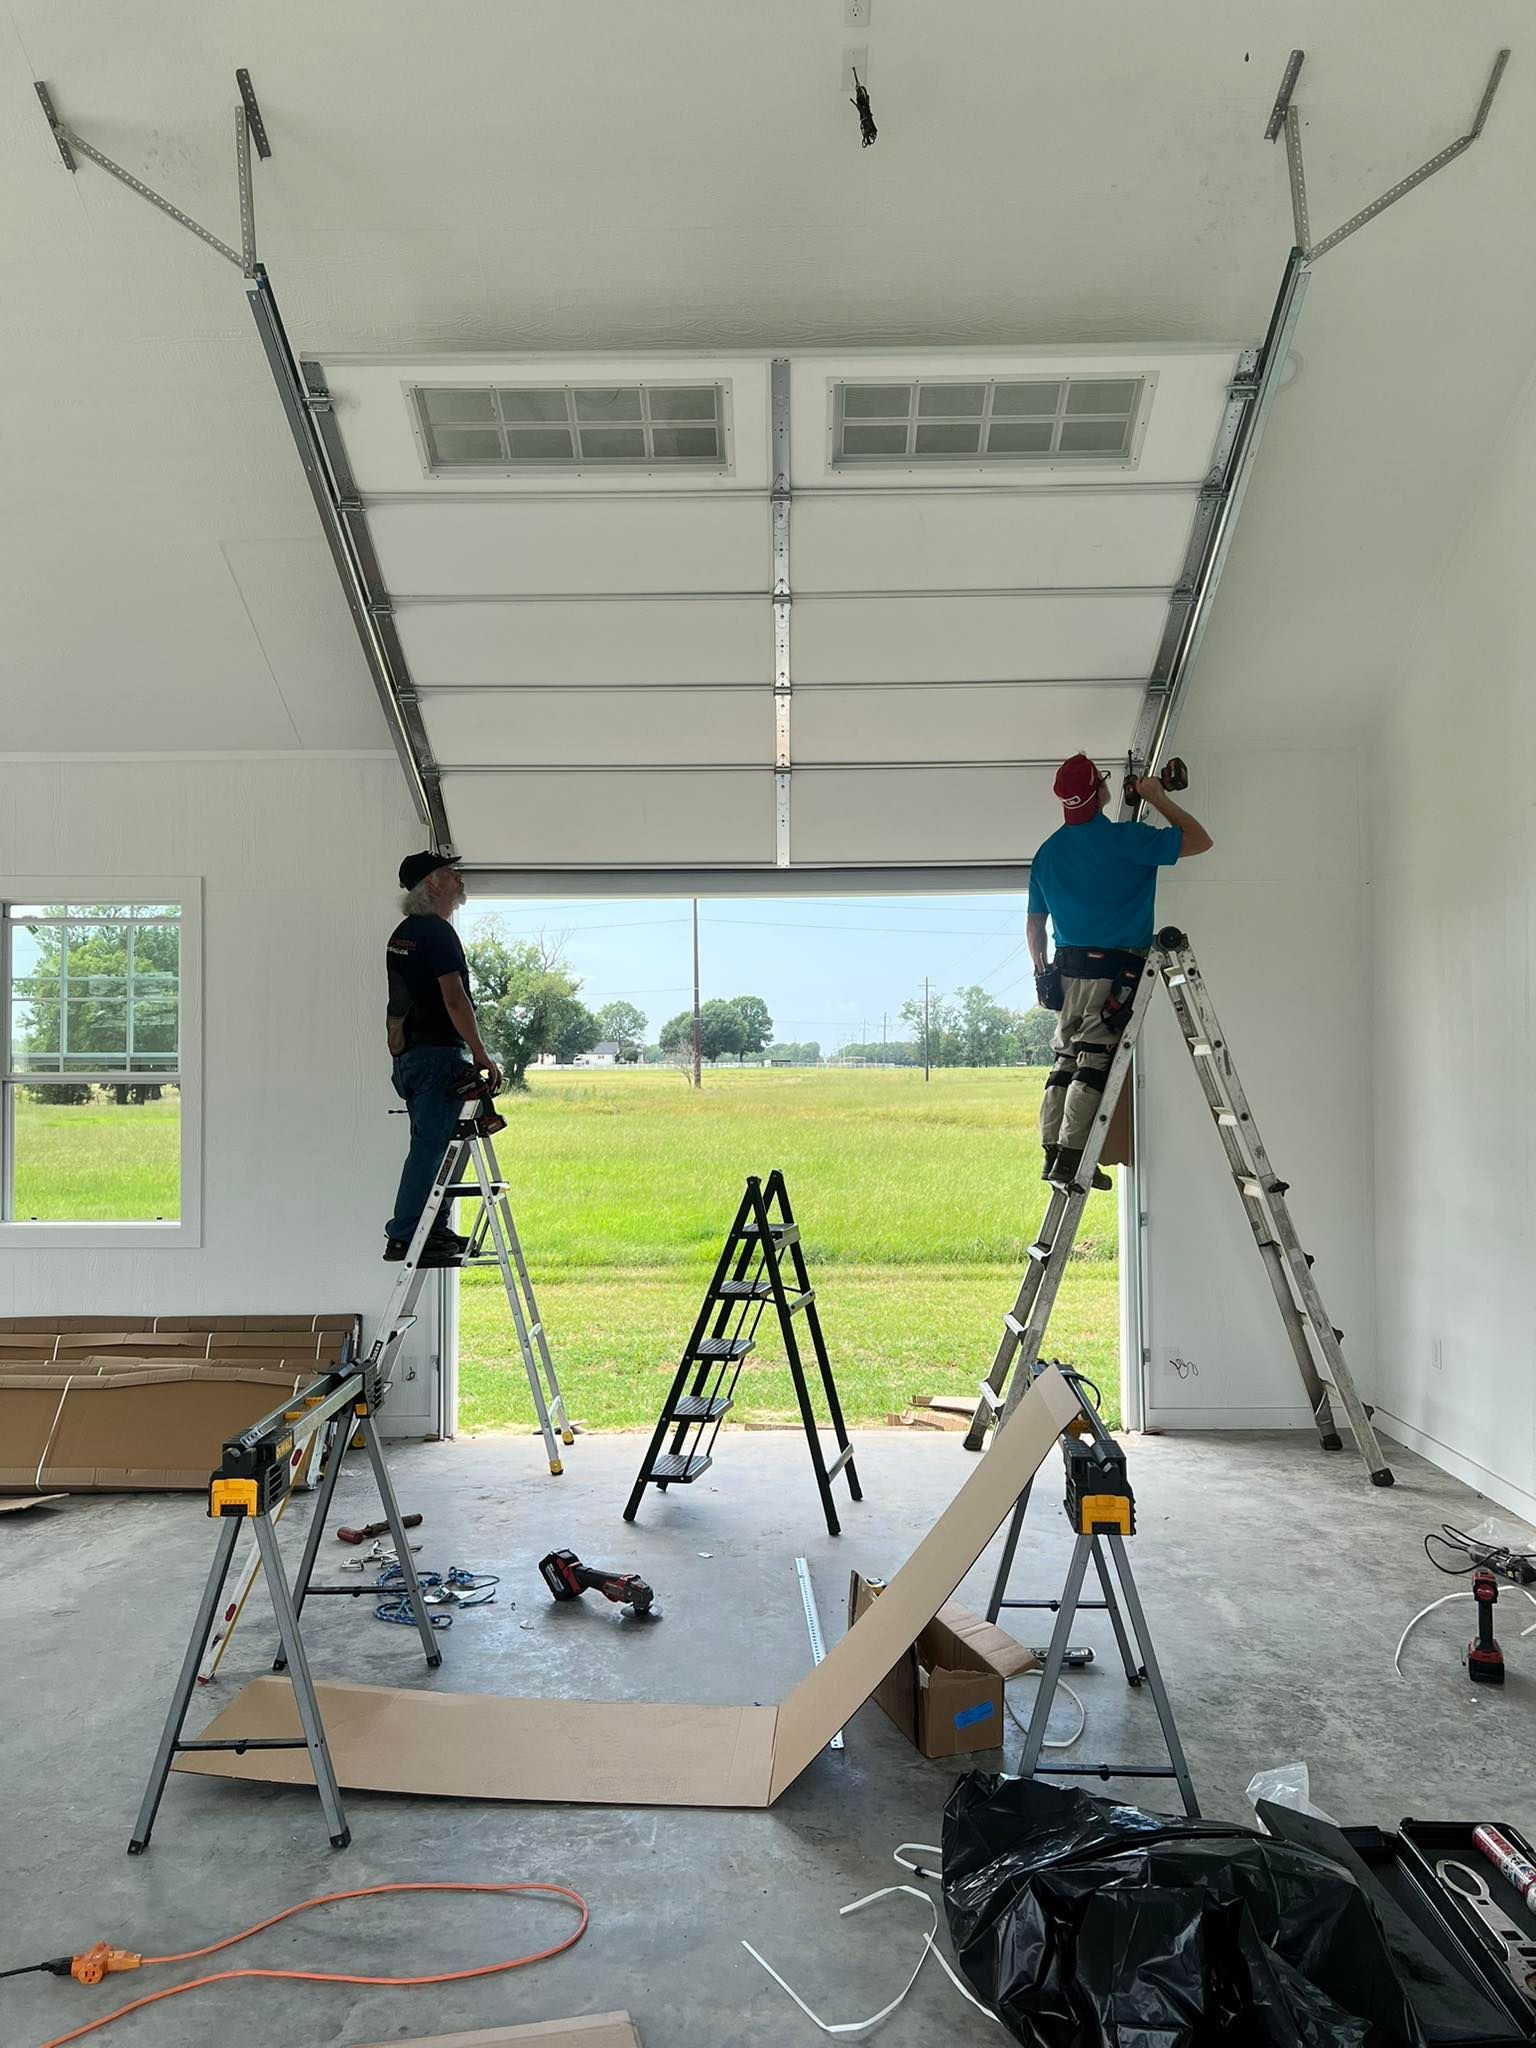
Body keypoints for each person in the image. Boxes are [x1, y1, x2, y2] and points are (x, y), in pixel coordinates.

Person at [1026, 753, 1212, 1191]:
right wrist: (1157, 797)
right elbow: (1199, 840)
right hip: (1113, 970)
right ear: (1099, 791)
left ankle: (1053, 1154)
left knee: (1065, 1061)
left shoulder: (1047, 852)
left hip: (1066, 970)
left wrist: (1041, 972)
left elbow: (1035, 925)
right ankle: (1073, 1160)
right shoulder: (1127, 840)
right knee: (1093, 1060)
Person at [384, 851, 503, 1263]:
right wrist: (480, 1052)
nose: (459, 878)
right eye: (451, 873)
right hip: (436, 1058)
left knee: (433, 1145)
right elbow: (454, 998)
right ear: (432, 883)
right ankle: (406, 1235)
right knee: (432, 1148)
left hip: (411, 1058)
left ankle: (430, 1230)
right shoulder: (437, 933)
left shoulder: (404, 934)